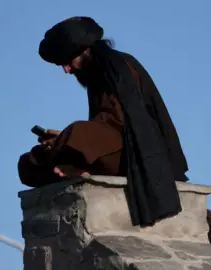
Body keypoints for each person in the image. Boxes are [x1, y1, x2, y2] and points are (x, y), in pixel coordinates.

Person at [18, 16, 189, 227]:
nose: (66, 70)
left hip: (137, 154)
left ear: (84, 51)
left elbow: (123, 125)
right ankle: (75, 163)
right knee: (30, 163)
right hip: (113, 148)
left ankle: (79, 165)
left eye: (67, 62)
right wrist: (62, 138)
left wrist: (71, 138)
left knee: (77, 133)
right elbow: (104, 126)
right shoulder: (97, 74)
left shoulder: (117, 66)